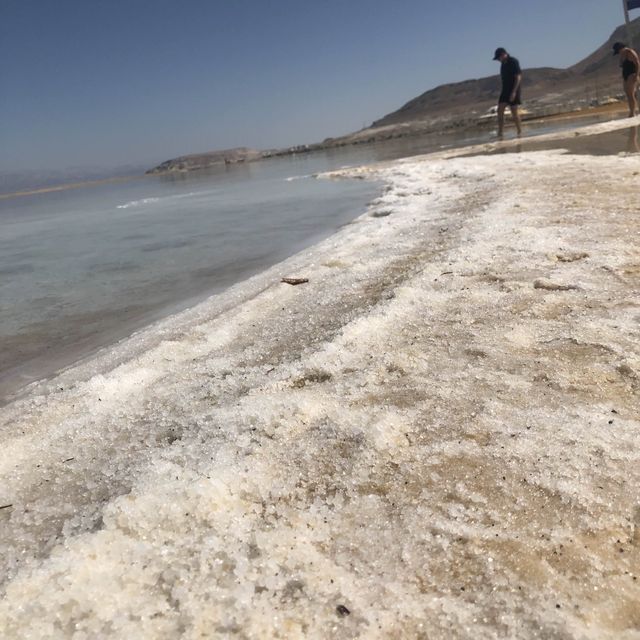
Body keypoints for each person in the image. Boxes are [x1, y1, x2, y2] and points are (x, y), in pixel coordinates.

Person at [493, 47, 522, 137]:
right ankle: (500, 132)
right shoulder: (503, 64)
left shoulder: (513, 61)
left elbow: (518, 76)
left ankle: (519, 131)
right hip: (505, 90)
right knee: (500, 110)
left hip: (514, 89)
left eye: (499, 58)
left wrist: (514, 92)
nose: (498, 60)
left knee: (514, 111)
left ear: (503, 54)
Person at [612, 42, 639, 117]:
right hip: (625, 75)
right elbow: (621, 65)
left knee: (631, 94)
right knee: (628, 94)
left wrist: (636, 75)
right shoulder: (622, 55)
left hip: (632, 73)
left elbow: (637, 62)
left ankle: (632, 112)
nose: (619, 53)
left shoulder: (629, 52)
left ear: (620, 48)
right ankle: (632, 111)